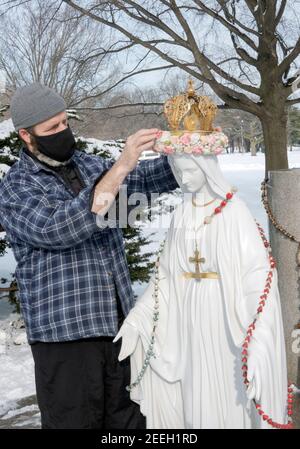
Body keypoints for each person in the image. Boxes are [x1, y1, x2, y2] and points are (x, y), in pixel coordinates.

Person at [0, 82, 179, 429]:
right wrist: (120, 166)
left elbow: (135, 186)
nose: (63, 131)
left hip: (117, 330)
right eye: (52, 128)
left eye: (65, 122)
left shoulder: (86, 165)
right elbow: (59, 228)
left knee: (128, 424)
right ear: (26, 135)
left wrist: (187, 151)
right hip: (66, 341)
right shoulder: (17, 187)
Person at [114, 150, 289, 429]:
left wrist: (259, 337)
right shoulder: (182, 214)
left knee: (227, 394)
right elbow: (166, 277)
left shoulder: (234, 212)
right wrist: (139, 317)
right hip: (188, 319)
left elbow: (257, 276)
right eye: (179, 171)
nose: (184, 178)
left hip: (223, 317)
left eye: (190, 171)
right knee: (194, 397)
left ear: (207, 168)